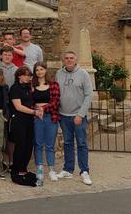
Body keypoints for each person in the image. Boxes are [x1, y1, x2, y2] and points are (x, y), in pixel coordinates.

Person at [55, 51, 93, 186]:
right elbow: (56, 93)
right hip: (63, 116)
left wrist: (80, 114)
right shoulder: (59, 74)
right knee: (67, 143)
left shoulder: (83, 74)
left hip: (78, 116)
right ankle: (68, 169)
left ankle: (84, 171)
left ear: (75, 60)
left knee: (82, 144)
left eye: (71, 58)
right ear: (63, 60)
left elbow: (89, 95)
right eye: (66, 58)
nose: (69, 60)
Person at [8, 66, 39, 186]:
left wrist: (36, 109)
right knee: (20, 145)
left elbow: (31, 103)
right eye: (25, 75)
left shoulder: (28, 88)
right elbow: (18, 106)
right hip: (19, 120)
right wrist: (34, 112)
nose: (27, 77)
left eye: (29, 75)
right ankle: (16, 169)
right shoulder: (15, 88)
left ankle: (23, 168)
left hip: (29, 120)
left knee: (28, 145)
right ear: (19, 75)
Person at [32, 61, 60, 186]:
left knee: (50, 144)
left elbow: (55, 101)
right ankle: (39, 168)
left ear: (45, 70)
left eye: (41, 69)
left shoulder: (53, 85)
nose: (39, 72)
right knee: (38, 144)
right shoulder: (31, 85)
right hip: (37, 117)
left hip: (50, 116)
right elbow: (29, 101)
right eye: (37, 70)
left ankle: (51, 169)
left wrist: (43, 108)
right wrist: (36, 110)